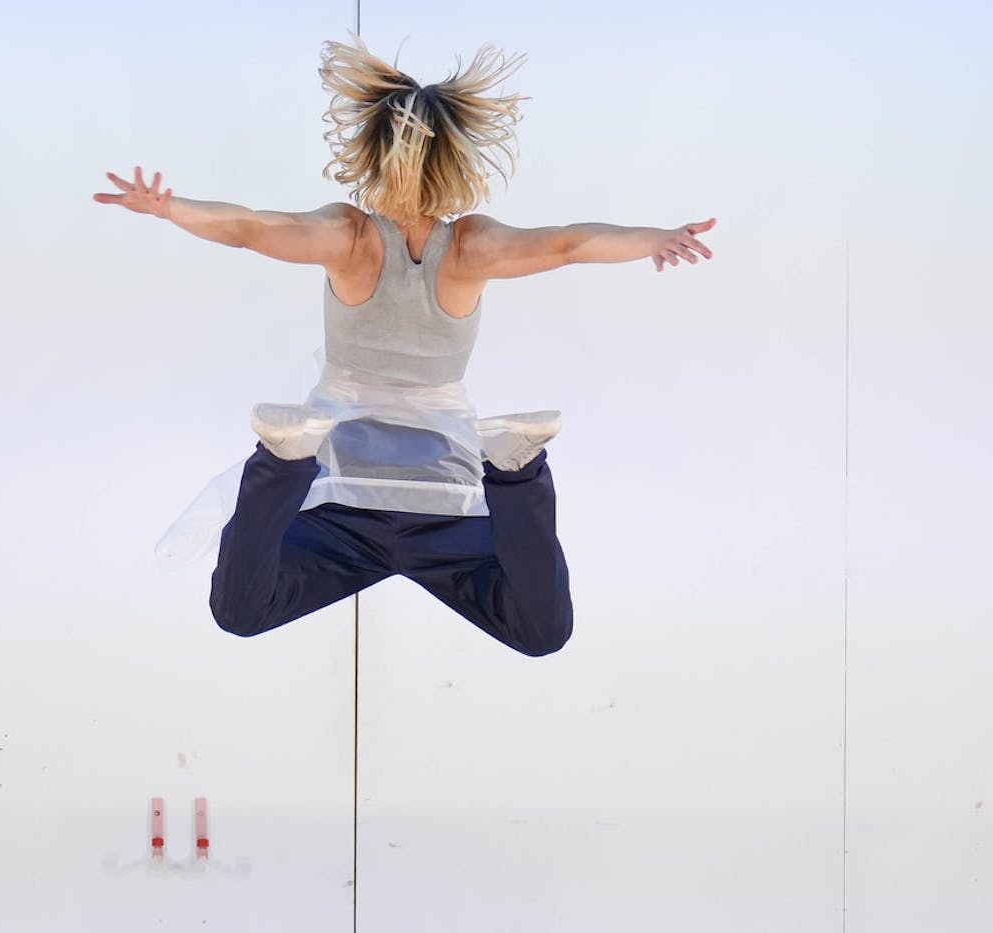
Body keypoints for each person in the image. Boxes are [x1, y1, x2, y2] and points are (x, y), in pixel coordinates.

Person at [93, 33, 715, 657]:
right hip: (437, 494)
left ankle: (283, 461)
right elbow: (568, 244)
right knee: (541, 630)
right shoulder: (471, 247)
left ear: (371, 156)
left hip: (343, 489)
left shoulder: (349, 238)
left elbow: (252, 229)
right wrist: (653, 238)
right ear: (456, 161)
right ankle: (516, 472)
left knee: (241, 612)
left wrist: (172, 209)